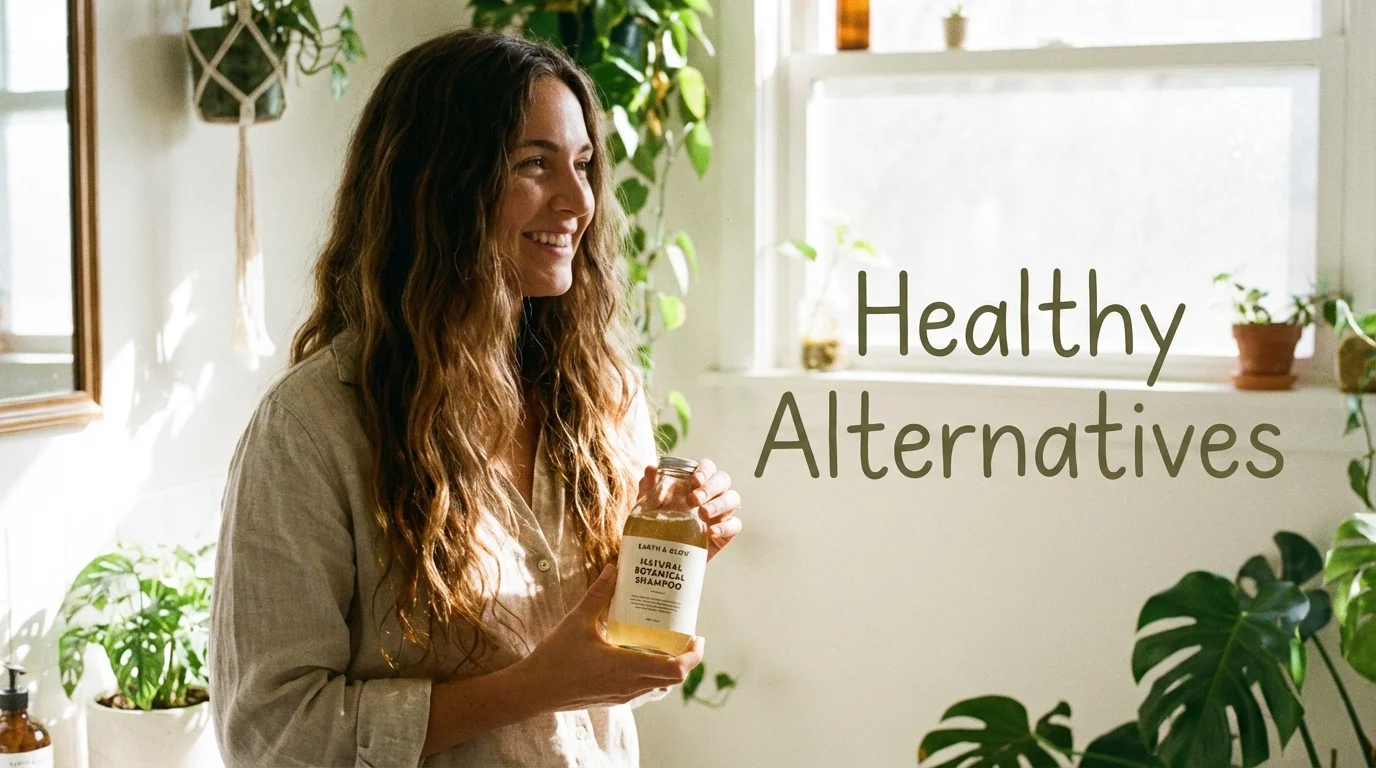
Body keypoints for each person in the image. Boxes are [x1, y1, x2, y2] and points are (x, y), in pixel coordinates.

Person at [209, 28, 742, 767]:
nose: (578, 200)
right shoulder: (313, 428)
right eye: (534, 164)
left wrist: (665, 564)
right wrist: (531, 686)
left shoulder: (603, 393)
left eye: (584, 165)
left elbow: (612, 677)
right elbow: (269, 733)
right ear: (438, 184)